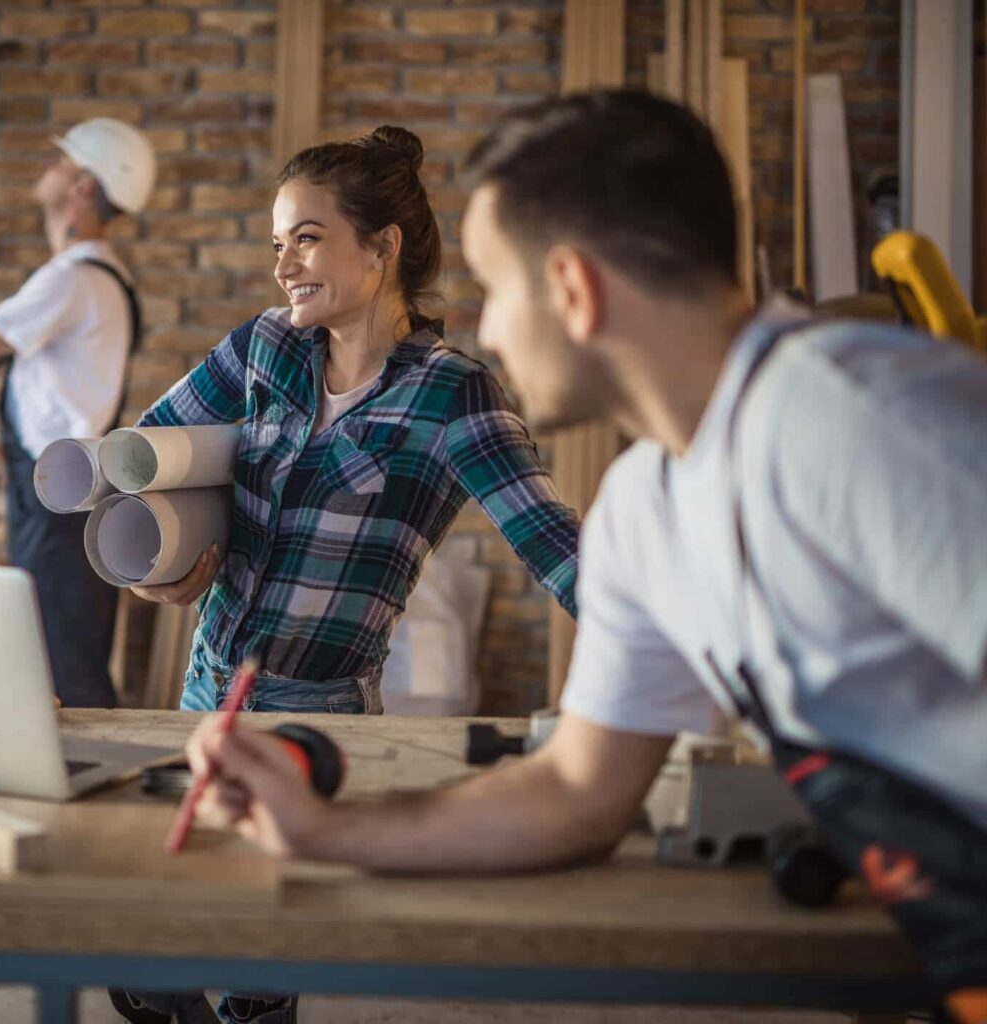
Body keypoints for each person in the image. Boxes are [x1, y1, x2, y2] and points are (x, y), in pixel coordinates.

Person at [181, 92, 987, 1024]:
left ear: (572, 287)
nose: (486, 332)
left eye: (496, 286)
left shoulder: (862, 419)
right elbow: (572, 795)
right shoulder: (651, 511)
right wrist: (322, 827)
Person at [110, 126, 579, 1024]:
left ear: (383, 246)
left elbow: (559, 551)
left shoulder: (451, 395)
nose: (284, 263)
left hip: (318, 719)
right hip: (208, 686)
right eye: (277, 241)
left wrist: (692, 651)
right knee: (151, 960)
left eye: (308, 237)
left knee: (256, 979)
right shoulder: (262, 352)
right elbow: (140, 460)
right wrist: (156, 570)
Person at [0, 118, 156, 709]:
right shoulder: (98, 278)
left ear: (81, 185)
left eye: (60, 161)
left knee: (64, 673)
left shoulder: (75, 280)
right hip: (64, 499)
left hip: (60, 508)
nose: (46, 168)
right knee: (60, 659)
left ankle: (90, 790)